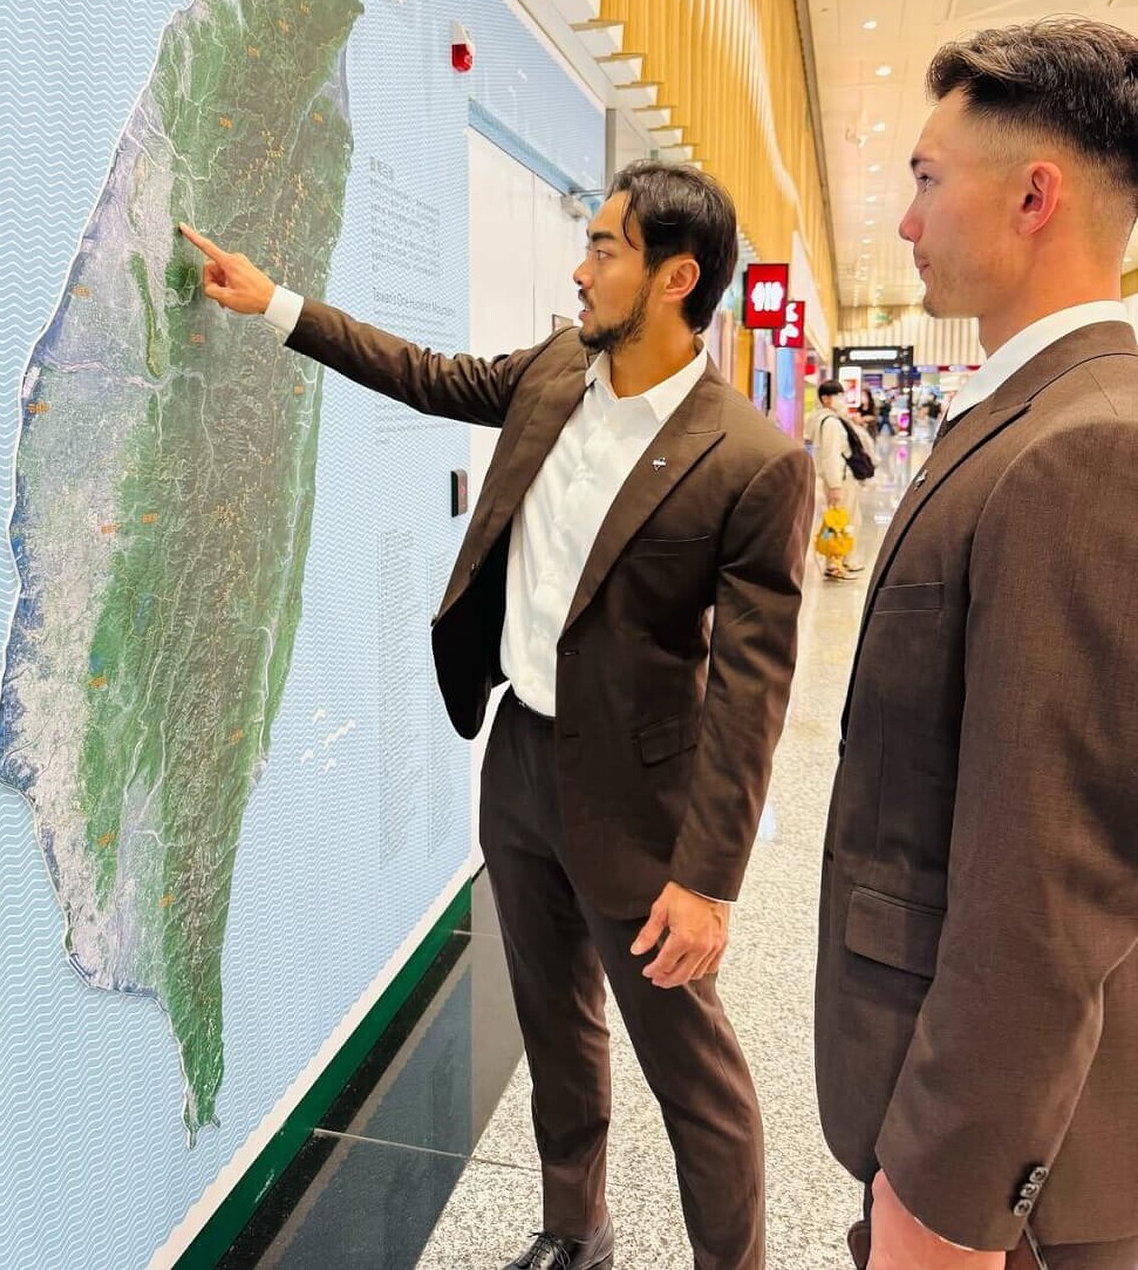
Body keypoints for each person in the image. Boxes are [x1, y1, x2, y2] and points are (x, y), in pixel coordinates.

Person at [181, 159, 814, 1270]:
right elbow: (426, 376)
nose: (581, 270)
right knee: (554, 1021)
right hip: (520, 757)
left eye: (605, 249)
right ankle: (575, 1231)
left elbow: (753, 691)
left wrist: (709, 880)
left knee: (692, 1075)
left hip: (639, 800)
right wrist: (277, 302)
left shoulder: (753, 462)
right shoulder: (558, 372)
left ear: (676, 279)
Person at [815, 18, 1138, 1270]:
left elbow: (1046, 883)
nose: (906, 220)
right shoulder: (1025, 415)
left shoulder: (1086, 444)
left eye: (927, 179)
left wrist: (948, 1202)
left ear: (1034, 197)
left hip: (1014, 1192)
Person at [812, 380, 865, 580]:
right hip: (839, 480)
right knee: (840, 523)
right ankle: (834, 564)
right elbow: (831, 455)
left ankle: (844, 559)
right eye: (838, 395)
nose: (841, 399)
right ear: (825, 398)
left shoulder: (829, 419)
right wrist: (835, 486)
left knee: (845, 520)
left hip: (840, 479)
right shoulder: (830, 423)